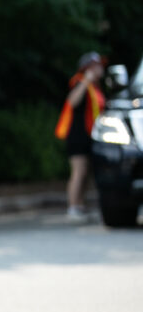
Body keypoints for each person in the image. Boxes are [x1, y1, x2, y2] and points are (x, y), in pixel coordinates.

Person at [55, 51, 105, 220]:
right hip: (77, 135)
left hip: (91, 136)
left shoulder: (96, 87)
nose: (100, 68)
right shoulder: (81, 83)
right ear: (87, 68)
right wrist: (86, 81)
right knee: (79, 170)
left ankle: (80, 204)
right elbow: (72, 101)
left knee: (86, 171)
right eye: (96, 65)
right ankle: (73, 206)